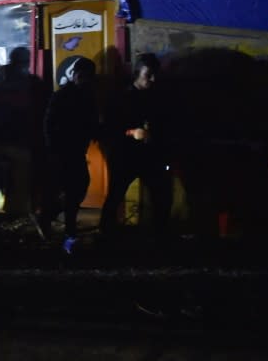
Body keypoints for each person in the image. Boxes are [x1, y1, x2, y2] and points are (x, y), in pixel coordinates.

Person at [99, 53, 172, 238]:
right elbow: (108, 128)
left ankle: (160, 236)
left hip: (150, 156)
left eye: (155, 75)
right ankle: (106, 235)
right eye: (149, 75)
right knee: (115, 195)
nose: (153, 79)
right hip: (126, 156)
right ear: (137, 73)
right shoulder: (121, 98)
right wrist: (132, 132)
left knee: (161, 196)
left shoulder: (158, 98)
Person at [40, 57, 99, 255]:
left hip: (75, 151)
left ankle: (53, 218)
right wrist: (52, 149)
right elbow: (49, 123)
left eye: (88, 77)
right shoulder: (62, 96)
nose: (84, 80)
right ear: (73, 75)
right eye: (81, 76)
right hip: (61, 152)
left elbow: (91, 123)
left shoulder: (89, 96)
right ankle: (61, 225)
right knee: (70, 190)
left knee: (77, 189)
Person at [0, 46, 49, 216]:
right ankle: (10, 214)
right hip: (13, 142)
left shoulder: (0, 81)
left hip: (7, 141)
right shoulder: (28, 83)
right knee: (13, 183)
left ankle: (1, 212)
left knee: (2, 181)